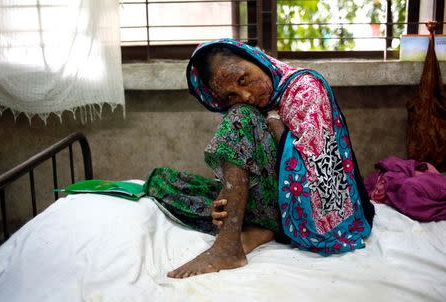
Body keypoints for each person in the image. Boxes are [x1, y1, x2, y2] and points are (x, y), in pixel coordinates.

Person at [144, 38, 375, 279]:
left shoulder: (305, 89)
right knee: (163, 182)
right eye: (231, 96)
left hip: (312, 210)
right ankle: (259, 228)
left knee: (240, 117)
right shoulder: (265, 103)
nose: (246, 95)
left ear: (256, 58)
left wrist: (275, 124)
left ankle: (229, 247)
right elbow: (255, 162)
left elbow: (322, 180)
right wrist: (228, 195)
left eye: (243, 79)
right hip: (273, 201)